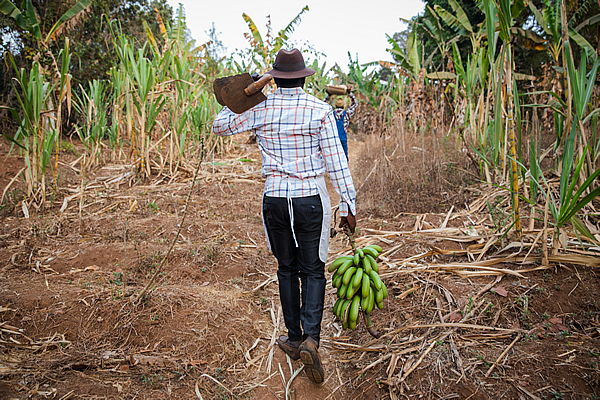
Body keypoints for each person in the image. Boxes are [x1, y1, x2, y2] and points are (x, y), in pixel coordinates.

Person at [212, 48, 356, 384]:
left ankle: (293, 338)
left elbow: (220, 125)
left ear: (274, 77)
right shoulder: (320, 110)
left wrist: (246, 91)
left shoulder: (260, 108)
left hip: (275, 199)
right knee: (314, 269)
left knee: (286, 268)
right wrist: (348, 205)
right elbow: (337, 164)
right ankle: (312, 340)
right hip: (310, 200)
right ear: (304, 77)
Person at [324, 88, 357, 160]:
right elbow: (354, 104)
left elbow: (323, 105)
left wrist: (329, 95)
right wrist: (350, 93)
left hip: (333, 138)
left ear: (335, 105)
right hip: (343, 138)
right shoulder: (347, 114)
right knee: (344, 156)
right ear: (343, 106)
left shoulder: (330, 113)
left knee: (333, 157)